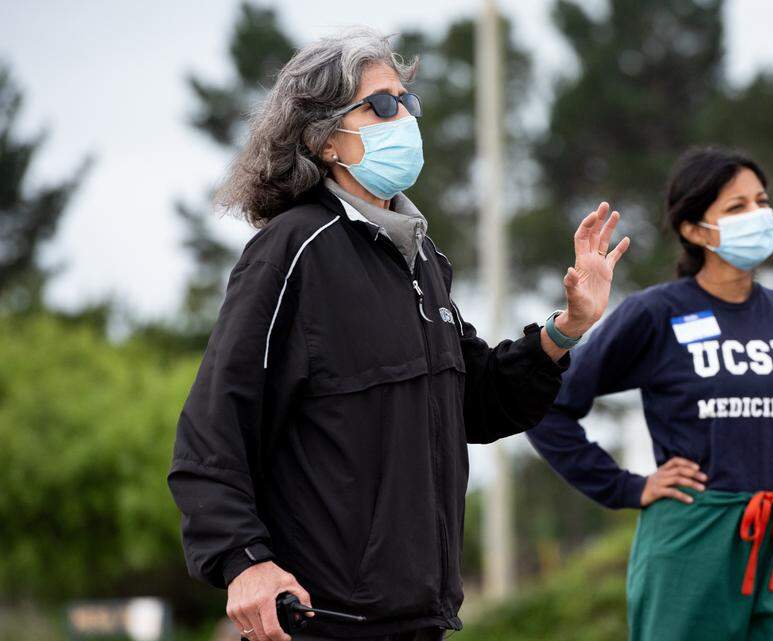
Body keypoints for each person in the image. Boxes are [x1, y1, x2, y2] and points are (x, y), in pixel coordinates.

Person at [166, 27, 631, 641]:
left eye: (407, 102)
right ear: (325, 138)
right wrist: (243, 562)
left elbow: (477, 401)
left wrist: (567, 327)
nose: (405, 116)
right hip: (318, 620)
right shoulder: (293, 248)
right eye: (382, 104)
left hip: (419, 621)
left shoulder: (421, 259)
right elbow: (213, 430)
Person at [526, 146, 773, 641]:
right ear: (693, 229)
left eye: (761, 201)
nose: (758, 215)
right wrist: (628, 487)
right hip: (691, 537)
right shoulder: (657, 312)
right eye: (737, 207)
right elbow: (546, 408)